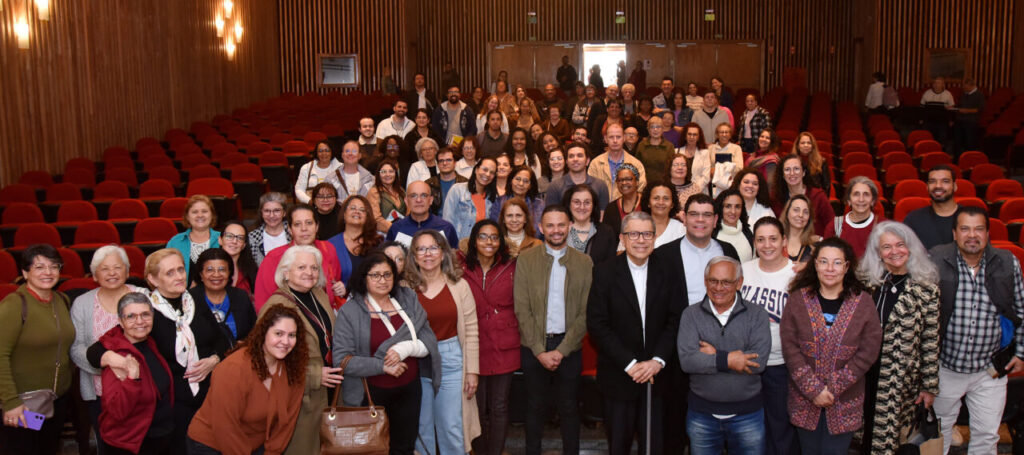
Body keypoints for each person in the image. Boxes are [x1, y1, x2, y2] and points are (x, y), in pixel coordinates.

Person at [88, 249, 228, 454]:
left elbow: (222, 339)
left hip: (208, 395)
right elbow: (97, 350)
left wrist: (214, 359)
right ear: (153, 279)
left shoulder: (194, 300)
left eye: (181, 270)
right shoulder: (145, 312)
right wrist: (114, 359)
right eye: (170, 273)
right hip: (173, 405)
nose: (179, 276)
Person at [930, 205, 1024, 454]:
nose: (972, 235)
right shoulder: (936, 259)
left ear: (988, 233)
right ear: (954, 233)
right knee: (938, 434)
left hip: (990, 370)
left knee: (987, 436)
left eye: (979, 229)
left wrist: (1021, 353)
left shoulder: (1007, 262)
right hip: (945, 367)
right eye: (965, 229)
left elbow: (1021, 309)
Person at [588, 211, 683, 455]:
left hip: (658, 376)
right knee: (618, 445)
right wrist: (630, 364)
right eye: (634, 234)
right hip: (619, 376)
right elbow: (597, 324)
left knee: (655, 446)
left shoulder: (670, 270)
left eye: (647, 234)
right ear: (622, 238)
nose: (641, 240)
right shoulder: (604, 272)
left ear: (654, 237)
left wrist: (657, 360)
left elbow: (676, 319)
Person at [781, 238, 882, 454]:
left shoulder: (863, 302)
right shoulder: (797, 300)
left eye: (837, 263)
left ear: (846, 267)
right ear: (815, 264)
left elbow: (869, 349)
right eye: (824, 261)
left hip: (845, 402)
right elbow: (790, 348)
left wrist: (834, 387)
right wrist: (814, 390)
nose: (829, 268)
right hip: (805, 400)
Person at [333, 252, 438, 455]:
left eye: (387, 274)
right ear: (364, 278)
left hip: (409, 390)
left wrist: (405, 349)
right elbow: (342, 360)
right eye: (375, 275)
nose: (382, 280)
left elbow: (429, 340)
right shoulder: (350, 312)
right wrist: (382, 366)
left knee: (404, 448)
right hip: (370, 394)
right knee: (372, 450)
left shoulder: (408, 299)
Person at [855, 221, 940, 455]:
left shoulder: (926, 289)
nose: (894, 251)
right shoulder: (865, 284)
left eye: (900, 245)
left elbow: (930, 341)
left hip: (900, 380)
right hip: (862, 374)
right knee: (861, 436)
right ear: (878, 252)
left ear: (910, 247)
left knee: (889, 441)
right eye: (887, 247)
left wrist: (929, 386)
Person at [515, 205, 593, 455]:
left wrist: (561, 350)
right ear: (540, 228)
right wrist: (539, 351)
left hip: (569, 347)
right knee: (534, 407)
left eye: (561, 225)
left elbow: (586, 312)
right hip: (533, 347)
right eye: (550, 225)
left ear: (570, 226)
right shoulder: (526, 259)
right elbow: (521, 309)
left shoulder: (584, 262)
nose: (556, 230)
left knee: (569, 407)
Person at [678, 256, 771, 455]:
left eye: (726, 282)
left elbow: (758, 362)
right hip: (702, 416)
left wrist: (715, 356)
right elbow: (688, 361)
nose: (718, 288)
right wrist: (730, 360)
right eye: (713, 281)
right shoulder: (690, 315)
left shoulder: (757, 315)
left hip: (748, 416)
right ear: (705, 281)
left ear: (739, 283)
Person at [187, 304, 307, 455]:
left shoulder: (294, 370)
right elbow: (225, 426)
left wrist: (272, 452)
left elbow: (285, 426)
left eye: (292, 335)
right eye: (278, 333)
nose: (285, 341)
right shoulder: (234, 368)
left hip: (253, 446)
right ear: (263, 332)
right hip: (211, 444)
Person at [256, 245, 341, 454]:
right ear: (285, 273)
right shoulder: (277, 306)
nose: (309, 273)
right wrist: (313, 375)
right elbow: (264, 359)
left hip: (328, 393)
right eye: (301, 267)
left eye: (314, 268)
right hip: (299, 398)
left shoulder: (319, 295)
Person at [405, 230, 481, 455]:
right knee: (421, 427)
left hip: (451, 359)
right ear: (414, 256)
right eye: (421, 249)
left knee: (451, 427)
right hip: (416, 361)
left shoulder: (460, 286)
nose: (427, 254)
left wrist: (472, 371)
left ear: (443, 253)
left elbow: (471, 330)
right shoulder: (405, 289)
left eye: (433, 248)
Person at [70, 245, 149, 448]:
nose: (112, 273)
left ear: (127, 271)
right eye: (104, 269)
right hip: (99, 393)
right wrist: (109, 363)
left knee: (144, 444)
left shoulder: (144, 296)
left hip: (142, 388)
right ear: (95, 275)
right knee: (107, 444)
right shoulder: (82, 303)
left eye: (117, 267)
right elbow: (76, 349)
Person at [0, 245, 75, 454]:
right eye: (39, 267)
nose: (48, 272)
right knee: (24, 448)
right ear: (25, 273)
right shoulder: (14, 305)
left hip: (55, 402)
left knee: (47, 448)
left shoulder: (62, 300)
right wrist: (11, 402)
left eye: (54, 266)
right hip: (24, 404)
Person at [740, 217, 799, 455]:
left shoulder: (796, 274)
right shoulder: (744, 270)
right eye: (761, 239)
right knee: (749, 429)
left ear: (784, 240)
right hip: (746, 363)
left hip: (781, 365)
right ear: (754, 242)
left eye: (773, 239)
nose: (767, 245)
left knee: (779, 428)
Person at [461, 220, 519, 455]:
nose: (489, 242)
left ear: (501, 242)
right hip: (473, 344)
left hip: (504, 344)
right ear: (474, 240)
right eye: (483, 236)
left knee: (499, 405)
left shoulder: (512, 266)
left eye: (494, 237)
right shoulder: (460, 267)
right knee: (477, 406)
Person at [90, 292, 173, 455]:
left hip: (160, 436)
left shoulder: (150, 343)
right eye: (131, 316)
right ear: (120, 322)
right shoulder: (119, 357)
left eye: (145, 314)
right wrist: (132, 379)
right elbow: (117, 411)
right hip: (131, 443)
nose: (140, 321)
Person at [653, 193, 739, 307]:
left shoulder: (728, 251)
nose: (700, 220)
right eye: (694, 214)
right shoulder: (662, 256)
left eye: (707, 215)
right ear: (684, 218)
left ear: (715, 220)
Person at [254, 204, 345, 310]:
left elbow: (334, 280)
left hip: (325, 312)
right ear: (289, 229)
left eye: (309, 223)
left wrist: (339, 288)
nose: (304, 228)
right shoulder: (274, 258)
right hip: (290, 315)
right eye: (297, 224)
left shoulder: (328, 249)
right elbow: (263, 302)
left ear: (317, 226)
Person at [190, 248, 257, 346]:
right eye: (210, 270)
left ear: (229, 273)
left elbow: (254, 332)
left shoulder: (240, 297)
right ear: (201, 274)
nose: (216, 275)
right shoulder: (189, 299)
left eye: (222, 269)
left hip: (237, 353)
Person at [772, 154, 834, 236]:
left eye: (796, 169)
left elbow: (831, 225)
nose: (792, 173)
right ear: (783, 175)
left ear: (804, 172)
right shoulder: (776, 199)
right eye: (787, 169)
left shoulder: (818, 196)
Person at [165, 194, 221, 284]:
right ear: (187, 216)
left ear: (212, 215)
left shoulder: (223, 239)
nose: (200, 215)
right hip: (183, 292)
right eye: (195, 212)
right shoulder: (175, 242)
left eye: (204, 211)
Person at [387, 181, 460, 248]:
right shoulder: (396, 229)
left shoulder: (446, 228)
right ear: (406, 201)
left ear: (431, 200)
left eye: (424, 195)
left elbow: (454, 256)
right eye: (413, 196)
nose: (419, 200)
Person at [824, 176, 882, 258]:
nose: (861, 199)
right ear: (849, 200)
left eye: (866, 194)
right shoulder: (835, 226)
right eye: (856, 194)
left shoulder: (883, 226)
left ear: (873, 201)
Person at [904, 165, 959, 250]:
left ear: (955, 186)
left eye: (945, 181)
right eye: (932, 181)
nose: (938, 186)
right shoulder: (913, 219)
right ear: (927, 187)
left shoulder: (970, 218)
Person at [545, 143, 611, 213]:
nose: (575, 159)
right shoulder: (555, 187)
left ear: (587, 161)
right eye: (571, 156)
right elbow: (552, 215)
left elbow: (602, 214)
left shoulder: (600, 185)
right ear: (566, 161)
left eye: (580, 155)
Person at [443, 157, 498, 241]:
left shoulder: (492, 198)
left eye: (492, 172)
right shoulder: (457, 190)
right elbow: (447, 222)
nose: (487, 174)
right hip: (458, 245)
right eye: (485, 169)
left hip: (480, 246)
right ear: (476, 169)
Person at [563, 184, 618, 266]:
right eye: (576, 202)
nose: (582, 207)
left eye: (587, 202)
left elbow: (611, 266)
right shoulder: (560, 231)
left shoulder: (606, 232)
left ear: (593, 205)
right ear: (569, 204)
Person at [589, 124, 647, 201]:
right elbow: (590, 190)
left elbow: (640, 189)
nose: (615, 140)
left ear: (624, 138)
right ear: (605, 139)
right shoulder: (595, 164)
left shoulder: (636, 164)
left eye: (618, 137)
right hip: (601, 207)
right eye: (611, 137)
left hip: (626, 207)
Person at [492, 166, 544, 233]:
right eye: (518, 179)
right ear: (511, 180)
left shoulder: (539, 205)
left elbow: (542, 231)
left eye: (526, 181)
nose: (521, 184)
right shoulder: (499, 203)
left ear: (530, 185)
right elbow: (495, 229)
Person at [249, 192, 290, 266]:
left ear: (284, 212)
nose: (271, 215)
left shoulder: (294, 232)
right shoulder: (252, 237)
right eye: (267, 211)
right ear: (261, 213)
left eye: (277, 210)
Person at [366, 159, 408, 234]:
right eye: (383, 172)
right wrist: (396, 229)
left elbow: (409, 209)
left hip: (403, 232)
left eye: (391, 171)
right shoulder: (374, 192)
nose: (387, 174)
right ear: (378, 175)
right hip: (383, 235)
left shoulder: (401, 190)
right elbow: (376, 219)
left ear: (395, 174)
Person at [713, 189, 754, 262]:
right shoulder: (712, 235)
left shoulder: (747, 231)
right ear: (720, 208)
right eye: (728, 206)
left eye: (737, 207)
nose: (733, 211)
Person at [426, 146, 468, 216]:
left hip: (458, 221)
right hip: (436, 221)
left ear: (455, 163)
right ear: (438, 164)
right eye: (441, 161)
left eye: (448, 160)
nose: (445, 163)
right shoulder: (428, 184)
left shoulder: (465, 183)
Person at [603, 165, 643, 237]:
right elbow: (606, 237)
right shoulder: (610, 209)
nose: (624, 183)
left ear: (637, 182)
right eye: (620, 180)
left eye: (628, 179)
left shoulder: (647, 204)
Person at [707, 122, 745, 197]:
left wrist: (718, 170)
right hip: (714, 183)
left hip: (731, 182)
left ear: (730, 135)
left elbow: (739, 168)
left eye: (726, 132)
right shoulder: (710, 148)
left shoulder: (736, 148)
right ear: (717, 134)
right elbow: (707, 167)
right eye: (721, 132)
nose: (724, 134)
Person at [634, 116, 674, 185]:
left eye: (658, 127)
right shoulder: (641, 145)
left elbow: (671, 168)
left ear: (663, 129)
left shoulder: (669, 146)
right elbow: (637, 166)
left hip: (664, 184)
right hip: (645, 184)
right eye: (652, 127)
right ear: (648, 129)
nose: (655, 129)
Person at [219, 221, 258, 293]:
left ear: (244, 245)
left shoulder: (252, 271)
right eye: (229, 236)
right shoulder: (208, 267)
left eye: (240, 238)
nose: (234, 241)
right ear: (220, 240)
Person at [676, 122, 712, 192]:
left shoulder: (705, 153)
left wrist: (693, 190)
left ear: (698, 137)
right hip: (679, 191)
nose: (692, 137)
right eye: (689, 134)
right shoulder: (676, 152)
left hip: (699, 191)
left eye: (695, 134)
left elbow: (706, 177)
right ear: (685, 136)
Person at [955, 78, 985, 155]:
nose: (963, 88)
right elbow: (960, 105)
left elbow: (980, 109)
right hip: (960, 120)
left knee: (970, 142)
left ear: (971, 86)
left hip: (971, 122)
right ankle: (958, 158)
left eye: (965, 86)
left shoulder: (979, 95)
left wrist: (967, 111)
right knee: (958, 141)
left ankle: (969, 157)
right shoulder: (964, 94)